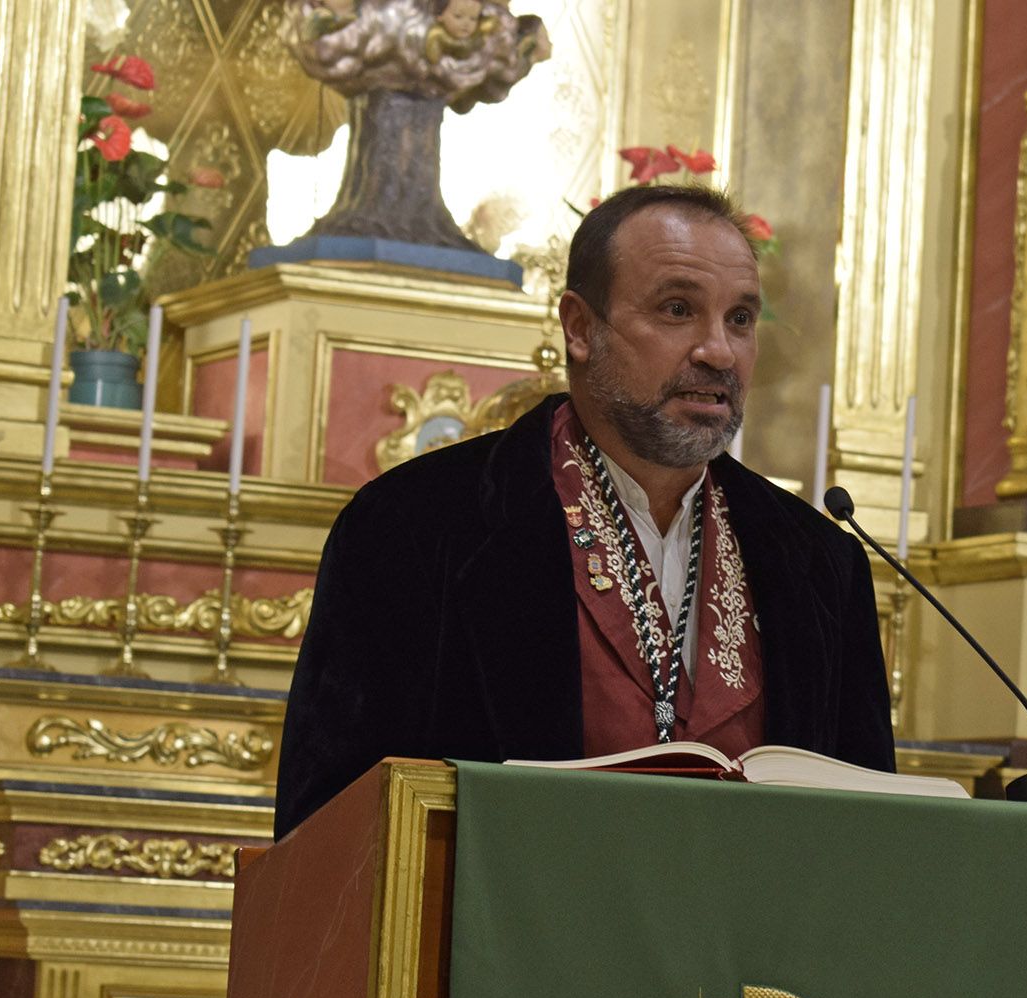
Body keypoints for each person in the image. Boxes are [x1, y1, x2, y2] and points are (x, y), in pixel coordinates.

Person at [274, 185, 894, 835]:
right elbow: (328, 829)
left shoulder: (820, 562)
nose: (718, 351)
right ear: (579, 327)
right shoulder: (415, 527)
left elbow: (869, 837)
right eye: (678, 309)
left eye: (740, 319)